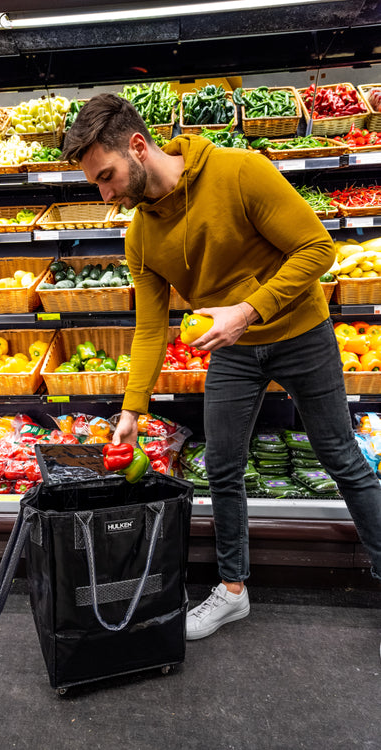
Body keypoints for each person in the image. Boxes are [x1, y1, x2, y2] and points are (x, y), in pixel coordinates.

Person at [63, 92, 381, 643]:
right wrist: (132, 410)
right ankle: (234, 591)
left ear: (139, 147)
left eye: (108, 176)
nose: (106, 193)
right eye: (97, 183)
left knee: (341, 457)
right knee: (222, 467)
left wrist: (248, 308)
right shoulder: (140, 234)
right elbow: (148, 329)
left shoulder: (239, 172)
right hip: (231, 350)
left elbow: (317, 250)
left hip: (301, 332)